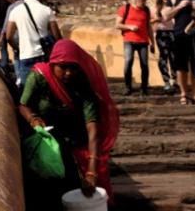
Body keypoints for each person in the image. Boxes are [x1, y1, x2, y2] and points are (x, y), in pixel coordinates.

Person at [17, 40, 120, 207]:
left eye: (73, 67)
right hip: (49, 143)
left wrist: (92, 168)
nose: (68, 73)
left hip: (76, 140)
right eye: (63, 67)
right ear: (52, 64)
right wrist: (33, 118)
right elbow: (22, 104)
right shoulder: (39, 77)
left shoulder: (83, 84)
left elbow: (92, 128)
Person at [5, 0, 62, 86]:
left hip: (26, 55)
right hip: (44, 55)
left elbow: (8, 37)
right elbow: (57, 36)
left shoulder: (15, 11)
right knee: (46, 88)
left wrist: (17, 48)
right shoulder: (47, 10)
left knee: (29, 91)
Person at [163, 0, 195, 105]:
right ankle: (183, 93)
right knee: (181, 67)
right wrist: (179, 6)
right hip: (180, 34)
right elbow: (167, 16)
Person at [115, 0, 154, 95]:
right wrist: (129, 27)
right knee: (128, 62)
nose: (144, 2)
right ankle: (128, 87)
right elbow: (117, 25)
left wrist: (152, 43)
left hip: (143, 41)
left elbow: (149, 27)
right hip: (129, 41)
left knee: (145, 65)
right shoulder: (125, 8)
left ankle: (144, 87)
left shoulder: (146, 10)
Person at [152, 0, 178, 94]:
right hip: (161, 33)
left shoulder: (174, 7)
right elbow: (149, 21)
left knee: (174, 57)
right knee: (164, 56)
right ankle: (166, 81)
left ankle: (175, 80)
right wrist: (156, 20)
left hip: (172, 32)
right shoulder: (155, 8)